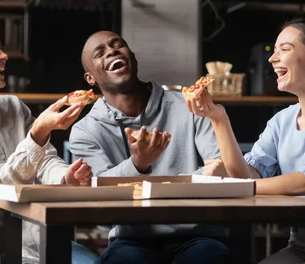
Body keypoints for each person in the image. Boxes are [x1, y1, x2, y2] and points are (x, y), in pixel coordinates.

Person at [186, 19, 305, 263]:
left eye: (285, 49)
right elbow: (245, 176)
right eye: (275, 50)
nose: (272, 58)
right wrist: (218, 118)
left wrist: (234, 188)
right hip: (301, 246)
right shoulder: (282, 120)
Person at [0, 17, 100, 264]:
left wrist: (66, 177)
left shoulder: (12, 106)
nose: (4, 55)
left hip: (47, 242)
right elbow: (1, 183)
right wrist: (39, 132)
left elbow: (44, 162)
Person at [69, 31, 229, 264]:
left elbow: (219, 171)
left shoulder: (190, 106)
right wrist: (137, 164)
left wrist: (136, 183)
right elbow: (100, 199)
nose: (112, 51)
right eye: (100, 53)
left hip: (197, 235)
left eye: (117, 45)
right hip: (131, 239)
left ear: (133, 58)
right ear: (90, 78)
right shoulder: (85, 131)